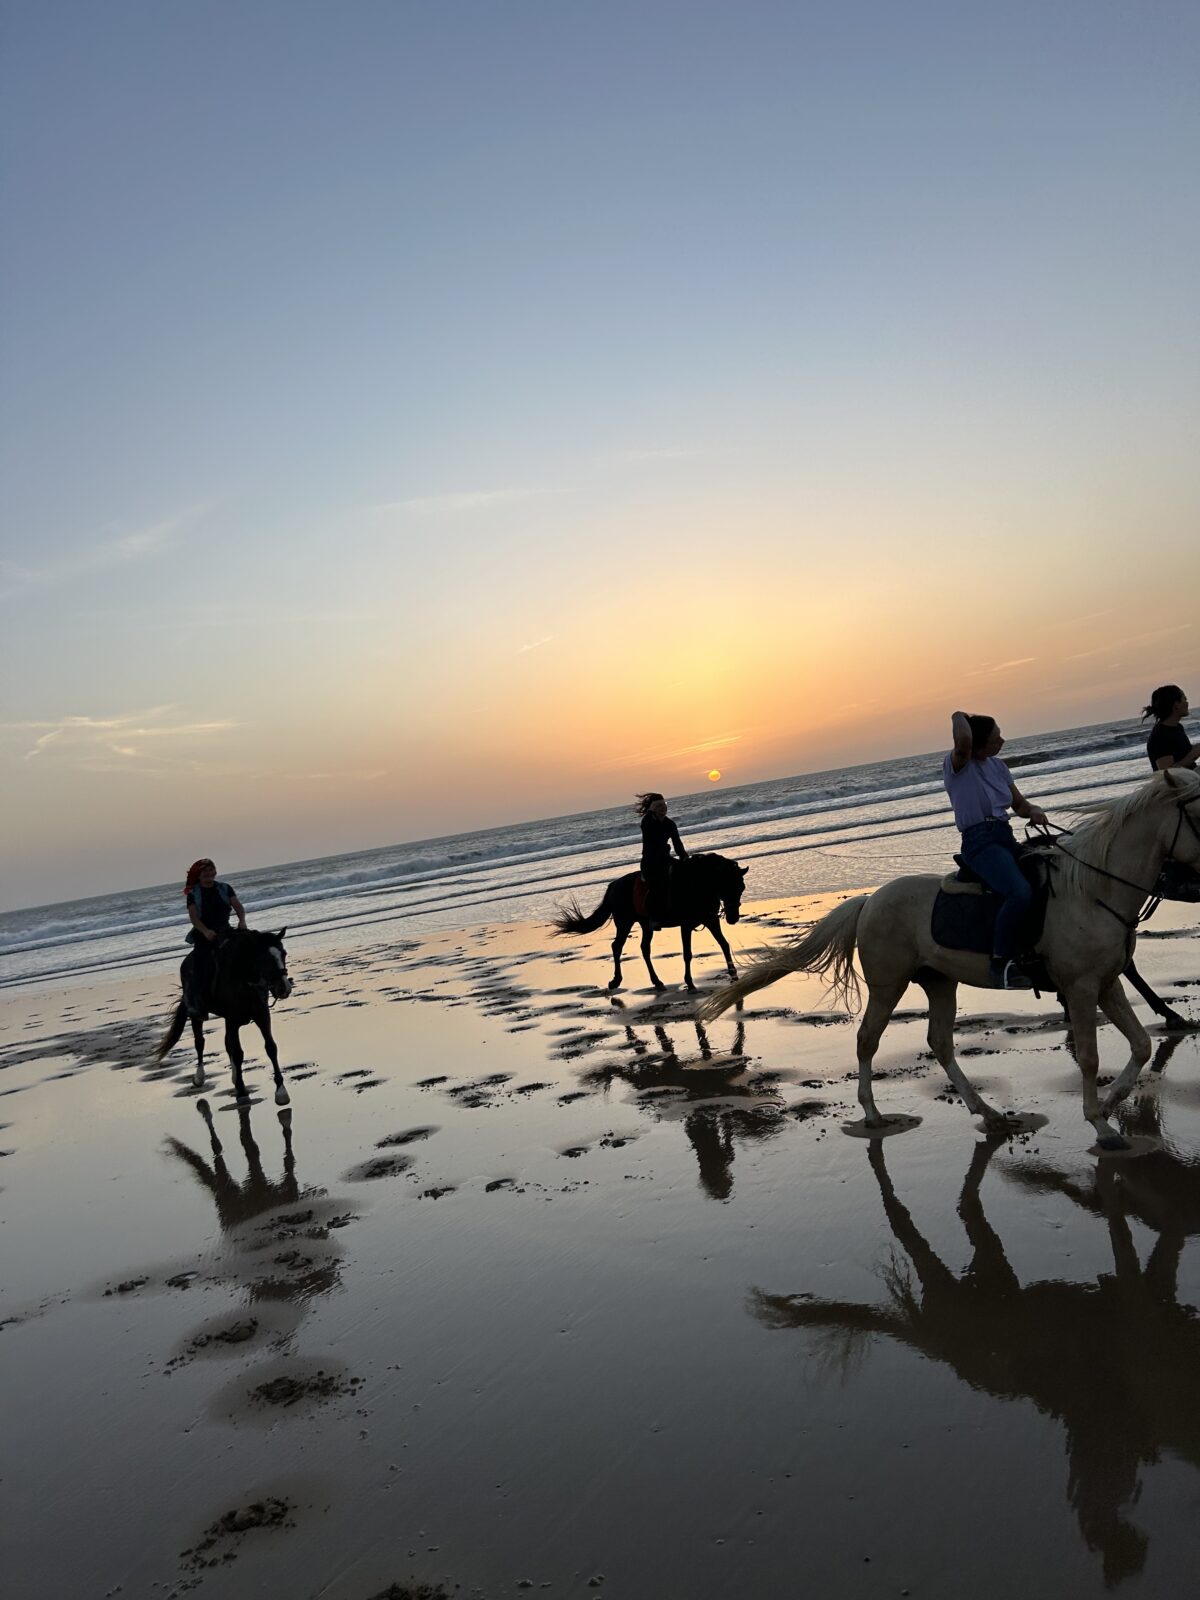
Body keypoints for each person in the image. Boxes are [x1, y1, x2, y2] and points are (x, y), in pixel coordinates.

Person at [944, 712, 1049, 990]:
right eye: (995, 737)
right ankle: (1000, 962)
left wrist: (1034, 811)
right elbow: (964, 738)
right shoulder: (959, 764)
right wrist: (958, 714)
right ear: (978, 744)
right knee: (1019, 892)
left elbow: (1020, 806)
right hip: (980, 842)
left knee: (1048, 874)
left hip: (1004, 836)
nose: (1002, 740)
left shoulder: (999, 766)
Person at [183, 858, 247, 1013]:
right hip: (204, 934)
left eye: (211, 870)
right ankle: (194, 1002)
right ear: (198, 876)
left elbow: (237, 906)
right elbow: (194, 918)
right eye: (205, 872)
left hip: (225, 930)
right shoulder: (194, 894)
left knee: (250, 949)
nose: (209, 874)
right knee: (200, 965)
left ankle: (267, 983)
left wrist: (242, 921)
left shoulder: (225, 888)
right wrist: (205, 931)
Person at [636, 793, 688, 927]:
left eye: (664, 805)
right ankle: (654, 917)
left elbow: (677, 842)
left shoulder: (670, 823)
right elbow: (653, 842)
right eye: (659, 806)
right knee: (658, 885)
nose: (663, 808)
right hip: (651, 862)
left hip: (666, 859)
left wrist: (684, 857)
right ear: (652, 808)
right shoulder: (647, 821)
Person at [1143, 685, 1198, 772]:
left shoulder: (1177, 727)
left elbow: (1185, 754)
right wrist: (1194, 753)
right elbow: (1167, 772)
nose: (1187, 703)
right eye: (1185, 699)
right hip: (1182, 784)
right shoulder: (1160, 736)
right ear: (1176, 705)